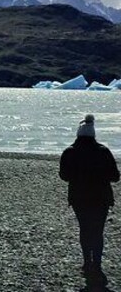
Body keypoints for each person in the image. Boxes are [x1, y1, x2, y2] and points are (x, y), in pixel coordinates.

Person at [59, 114, 120, 279]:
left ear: (78, 134)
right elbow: (115, 176)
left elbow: (64, 175)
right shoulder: (104, 151)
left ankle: (87, 262)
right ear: (94, 134)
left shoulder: (70, 152)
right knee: (98, 230)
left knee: (85, 229)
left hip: (79, 197)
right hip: (101, 198)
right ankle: (97, 264)